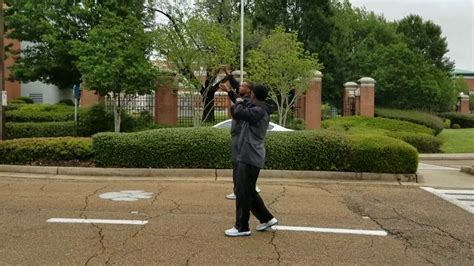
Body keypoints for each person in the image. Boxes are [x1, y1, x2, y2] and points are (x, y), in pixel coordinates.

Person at [219, 82, 279, 237]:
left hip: (250, 156)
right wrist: (233, 94)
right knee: (248, 190)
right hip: (249, 154)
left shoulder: (258, 111)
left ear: (253, 94)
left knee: (243, 192)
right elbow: (242, 102)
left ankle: (242, 227)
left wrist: (238, 103)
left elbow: (238, 112)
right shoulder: (258, 107)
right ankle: (267, 219)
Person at [221, 69, 261, 200]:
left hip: (239, 134)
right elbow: (237, 90)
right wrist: (230, 77)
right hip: (239, 134)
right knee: (242, 162)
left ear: (249, 91)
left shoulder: (246, 101)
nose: (240, 87)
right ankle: (249, 186)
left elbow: (238, 102)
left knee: (237, 162)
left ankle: (239, 190)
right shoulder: (245, 97)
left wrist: (229, 92)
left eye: (244, 86)